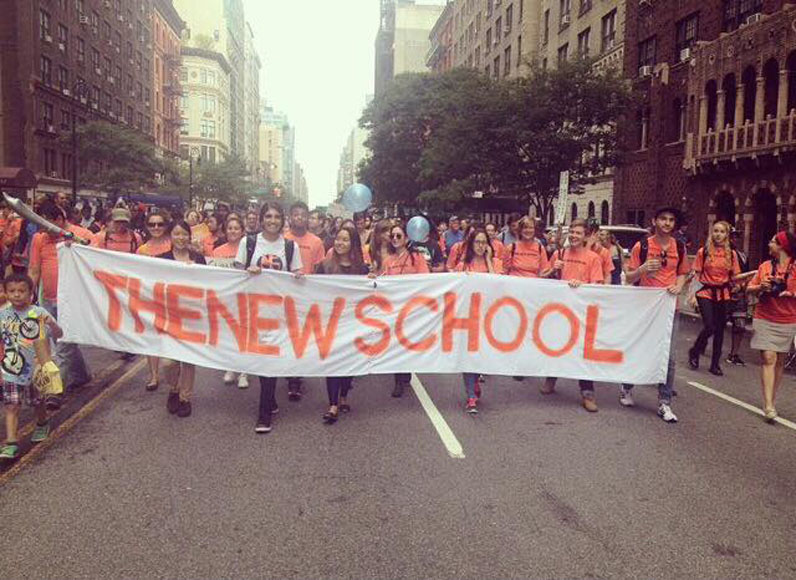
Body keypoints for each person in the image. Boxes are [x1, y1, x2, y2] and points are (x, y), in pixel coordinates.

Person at [235, 202, 302, 434]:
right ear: (261, 219)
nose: (273, 220)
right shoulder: (248, 243)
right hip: (254, 312)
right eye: (268, 216)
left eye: (277, 216)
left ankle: (264, 414)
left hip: (280, 314)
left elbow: (296, 277)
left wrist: (299, 276)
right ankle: (270, 400)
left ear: (282, 220)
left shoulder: (291, 247)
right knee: (263, 360)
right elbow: (234, 277)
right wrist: (246, 272)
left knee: (269, 362)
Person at [621, 207, 689, 423]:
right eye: (663, 219)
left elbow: (682, 273)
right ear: (654, 221)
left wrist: (679, 286)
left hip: (669, 307)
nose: (667, 223)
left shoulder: (679, 246)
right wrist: (642, 269)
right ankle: (627, 387)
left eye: (671, 220)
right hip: (645, 306)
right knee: (640, 348)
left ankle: (664, 402)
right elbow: (629, 277)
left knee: (668, 356)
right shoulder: (642, 245)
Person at [540, 219, 605, 412]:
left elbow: (598, 285)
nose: (574, 236)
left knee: (582, 352)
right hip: (560, 310)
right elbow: (542, 277)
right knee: (556, 346)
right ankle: (551, 379)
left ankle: (587, 393)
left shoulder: (593, 257)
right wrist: (554, 269)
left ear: (585, 236)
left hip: (582, 312)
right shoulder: (559, 253)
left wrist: (581, 285)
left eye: (578, 233)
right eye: (572, 232)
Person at [0, 273, 64, 460]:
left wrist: (51, 324)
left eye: (21, 291)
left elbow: (59, 333)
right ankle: (11, 443)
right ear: (6, 293)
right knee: (11, 405)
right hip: (11, 369)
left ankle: (42, 423)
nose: (17, 295)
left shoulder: (39, 313)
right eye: (12, 291)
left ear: (31, 293)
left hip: (35, 366)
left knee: (37, 401)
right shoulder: (2, 315)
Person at [28, 203, 91, 391]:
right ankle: (81, 375)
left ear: (59, 220)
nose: (44, 230)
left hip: (72, 301)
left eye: (47, 224)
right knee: (62, 341)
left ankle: (56, 389)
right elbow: (34, 269)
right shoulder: (39, 238)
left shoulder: (82, 235)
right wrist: (29, 294)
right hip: (48, 299)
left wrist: (77, 245)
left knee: (63, 346)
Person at [315, 225, 369, 424]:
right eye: (338, 238)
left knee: (349, 364)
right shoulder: (324, 266)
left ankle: (344, 395)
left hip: (353, 324)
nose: (340, 243)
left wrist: (372, 282)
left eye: (346, 240)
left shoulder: (362, 269)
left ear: (353, 243)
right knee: (333, 363)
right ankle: (333, 404)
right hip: (331, 323)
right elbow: (312, 289)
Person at [747, 231, 796, 422]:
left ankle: (772, 399)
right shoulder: (765, 266)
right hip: (765, 316)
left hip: (788, 318)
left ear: (783, 246)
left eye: (773, 242)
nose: (769, 244)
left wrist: (790, 293)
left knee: (780, 361)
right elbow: (749, 288)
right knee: (768, 357)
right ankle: (768, 405)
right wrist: (761, 287)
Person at [376, 222, 429, 397]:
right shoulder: (388, 261)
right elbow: (381, 281)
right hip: (394, 309)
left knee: (408, 343)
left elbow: (426, 280)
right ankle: (398, 380)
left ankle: (406, 373)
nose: (396, 239)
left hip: (411, 309)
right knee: (396, 344)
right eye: (393, 236)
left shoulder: (416, 258)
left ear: (406, 238)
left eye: (399, 235)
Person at [160, 221, 206, 418]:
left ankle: (185, 398)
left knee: (188, 359)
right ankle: (174, 389)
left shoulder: (199, 259)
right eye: (176, 234)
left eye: (184, 234)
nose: (180, 238)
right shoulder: (161, 260)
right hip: (168, 317)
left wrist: (195, 272)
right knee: (169, 362)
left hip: (191, 316)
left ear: (189, 236)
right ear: (170, 236)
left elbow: (209, 285)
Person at [454, 228, 500, 414]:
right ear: (471, 244)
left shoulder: (495, 263)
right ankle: (471, 395)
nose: (480, 246)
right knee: (468, 356)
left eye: (484, 242)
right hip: (467, 317)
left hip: (487, 317)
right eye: (477, 242)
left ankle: (476, 379)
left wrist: (489, 260)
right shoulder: (463, 265)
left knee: (481, 355)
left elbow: (496, 285)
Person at [687, 221, 742, 376]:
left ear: (727, 235)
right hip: (705, 292)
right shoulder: (703, 252)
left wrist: (738, 285)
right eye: (715, 231)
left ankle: (715, 364)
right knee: (710, 326)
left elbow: (735, 276)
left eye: (722, 232)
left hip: (723, 293)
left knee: (720, 330)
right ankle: (695, 351)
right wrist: (692, 295)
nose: (718, 234)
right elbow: (696, 275)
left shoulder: (732, 254)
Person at [134, 210, 172, 391]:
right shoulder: (141, 250)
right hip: (150, 298)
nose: (156, 228)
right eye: (152, 224)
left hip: (171, 299)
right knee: (151, 337)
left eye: (160, 224)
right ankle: (154, 375)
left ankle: (174, 374)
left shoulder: (173, 244)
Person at [726, 229, 751, 366]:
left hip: (739, 293)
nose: (733, 240)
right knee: (715, 325)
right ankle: (702, 346)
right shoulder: (719, 255)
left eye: (736, 237)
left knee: (739, 325)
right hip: (723, 293)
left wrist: (744, 289)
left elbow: (746, 275)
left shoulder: (742, 256)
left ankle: (734, 354)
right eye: (731, 237)